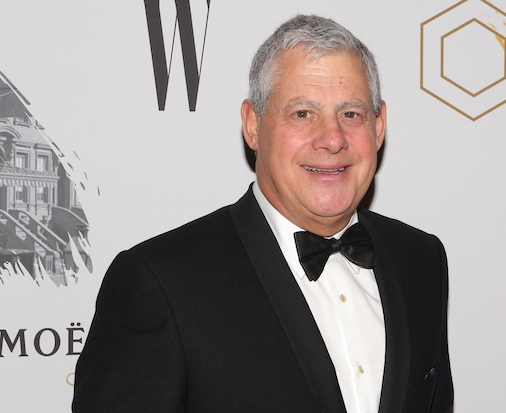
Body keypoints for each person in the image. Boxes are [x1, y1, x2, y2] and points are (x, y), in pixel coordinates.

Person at [73, 14, 453, 413]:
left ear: (379, 127)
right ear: (253, 126)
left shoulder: (421, 259)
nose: (333, 139)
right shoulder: (159, 282)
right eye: (303, 113)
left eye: (351, 114)